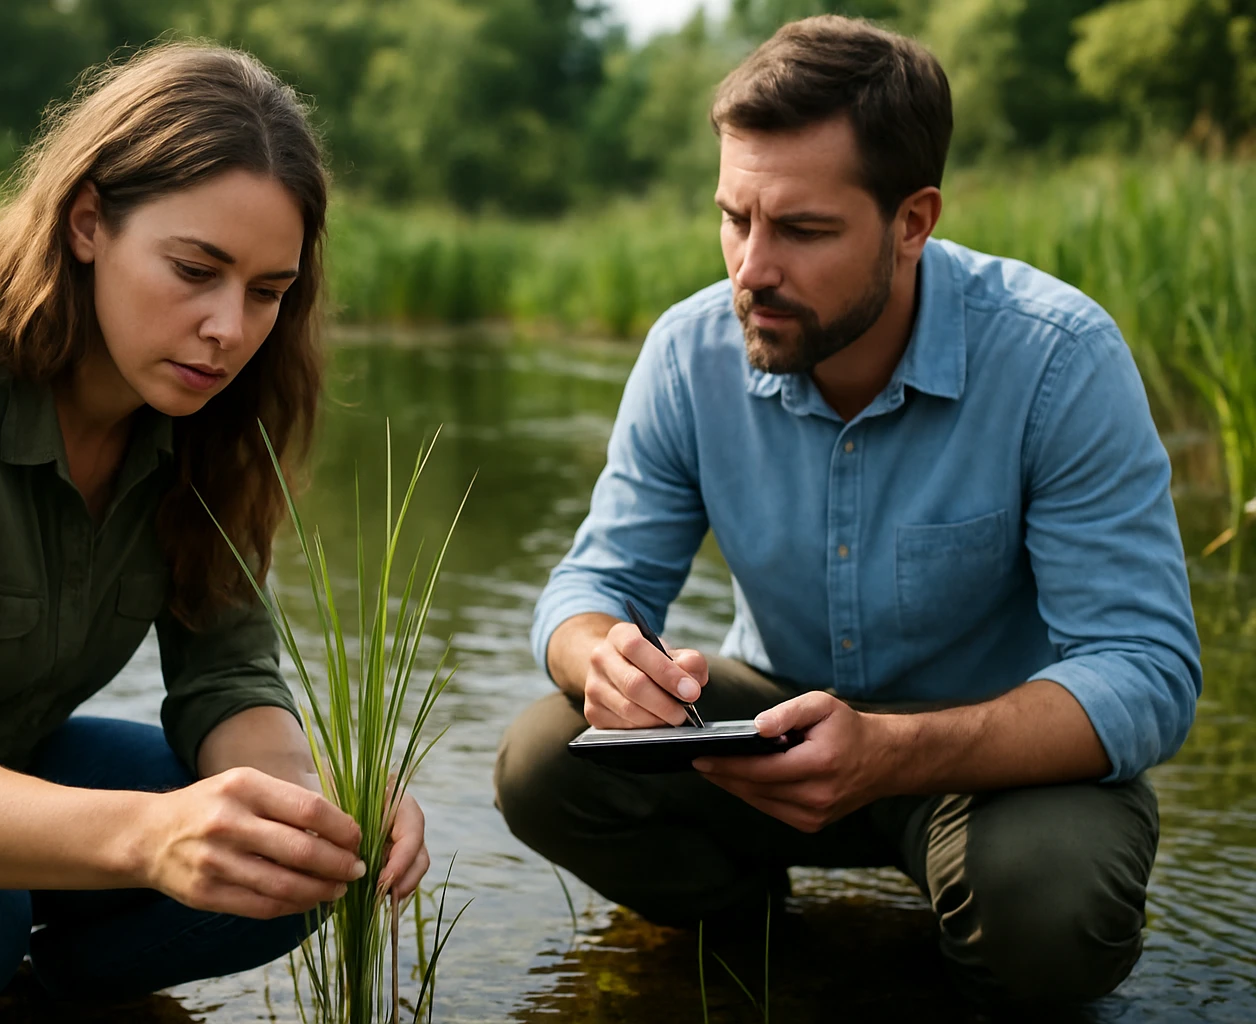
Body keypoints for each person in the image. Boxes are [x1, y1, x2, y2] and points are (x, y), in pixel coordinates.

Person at [494, 15, 1199, 1008]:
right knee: (544, 760)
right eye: (735, 218)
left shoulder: (1058, 360)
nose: (750, 268)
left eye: (802, 229)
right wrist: (595, 652)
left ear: (913, 221)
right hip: (773, 735)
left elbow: (1147, 669)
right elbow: (594, 581)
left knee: (1049, 911)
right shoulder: (689, 353)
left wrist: (897, 751)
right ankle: (771, 951)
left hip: (997, 767)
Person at [0, 42, 428, 1023]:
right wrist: (150, 836)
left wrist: (318, 796)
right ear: (89, 221)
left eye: (268, 291)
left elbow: (227, 678)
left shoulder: (215, 425)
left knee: (297, 860)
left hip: (5, 762)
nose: (229, 327)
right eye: (195, 269)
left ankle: (28, 999)